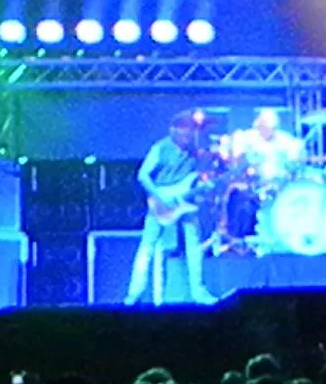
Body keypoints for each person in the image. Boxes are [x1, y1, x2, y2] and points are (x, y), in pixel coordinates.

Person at [128, 109, 214, 306]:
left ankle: (198, 293)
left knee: (194, 246)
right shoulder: (161, 148)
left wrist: (204, 186)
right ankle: (134, 293)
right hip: (160, 203)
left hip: (185, 204)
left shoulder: (194, 151)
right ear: (174, 130)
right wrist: (160, 197)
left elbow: (195, 178)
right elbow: (143, 175)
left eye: (190, 130)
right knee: (147, 246)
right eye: (184, 130)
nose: (188, 135)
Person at [226, 108, 305, 240]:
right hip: (253, 183)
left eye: (271, 128)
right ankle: (242, 234)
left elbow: (294, 162)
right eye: (264, 127)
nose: (267, 131)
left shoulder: (285, 140)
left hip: (279, 184)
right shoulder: (248, 137)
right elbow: (237, 155)